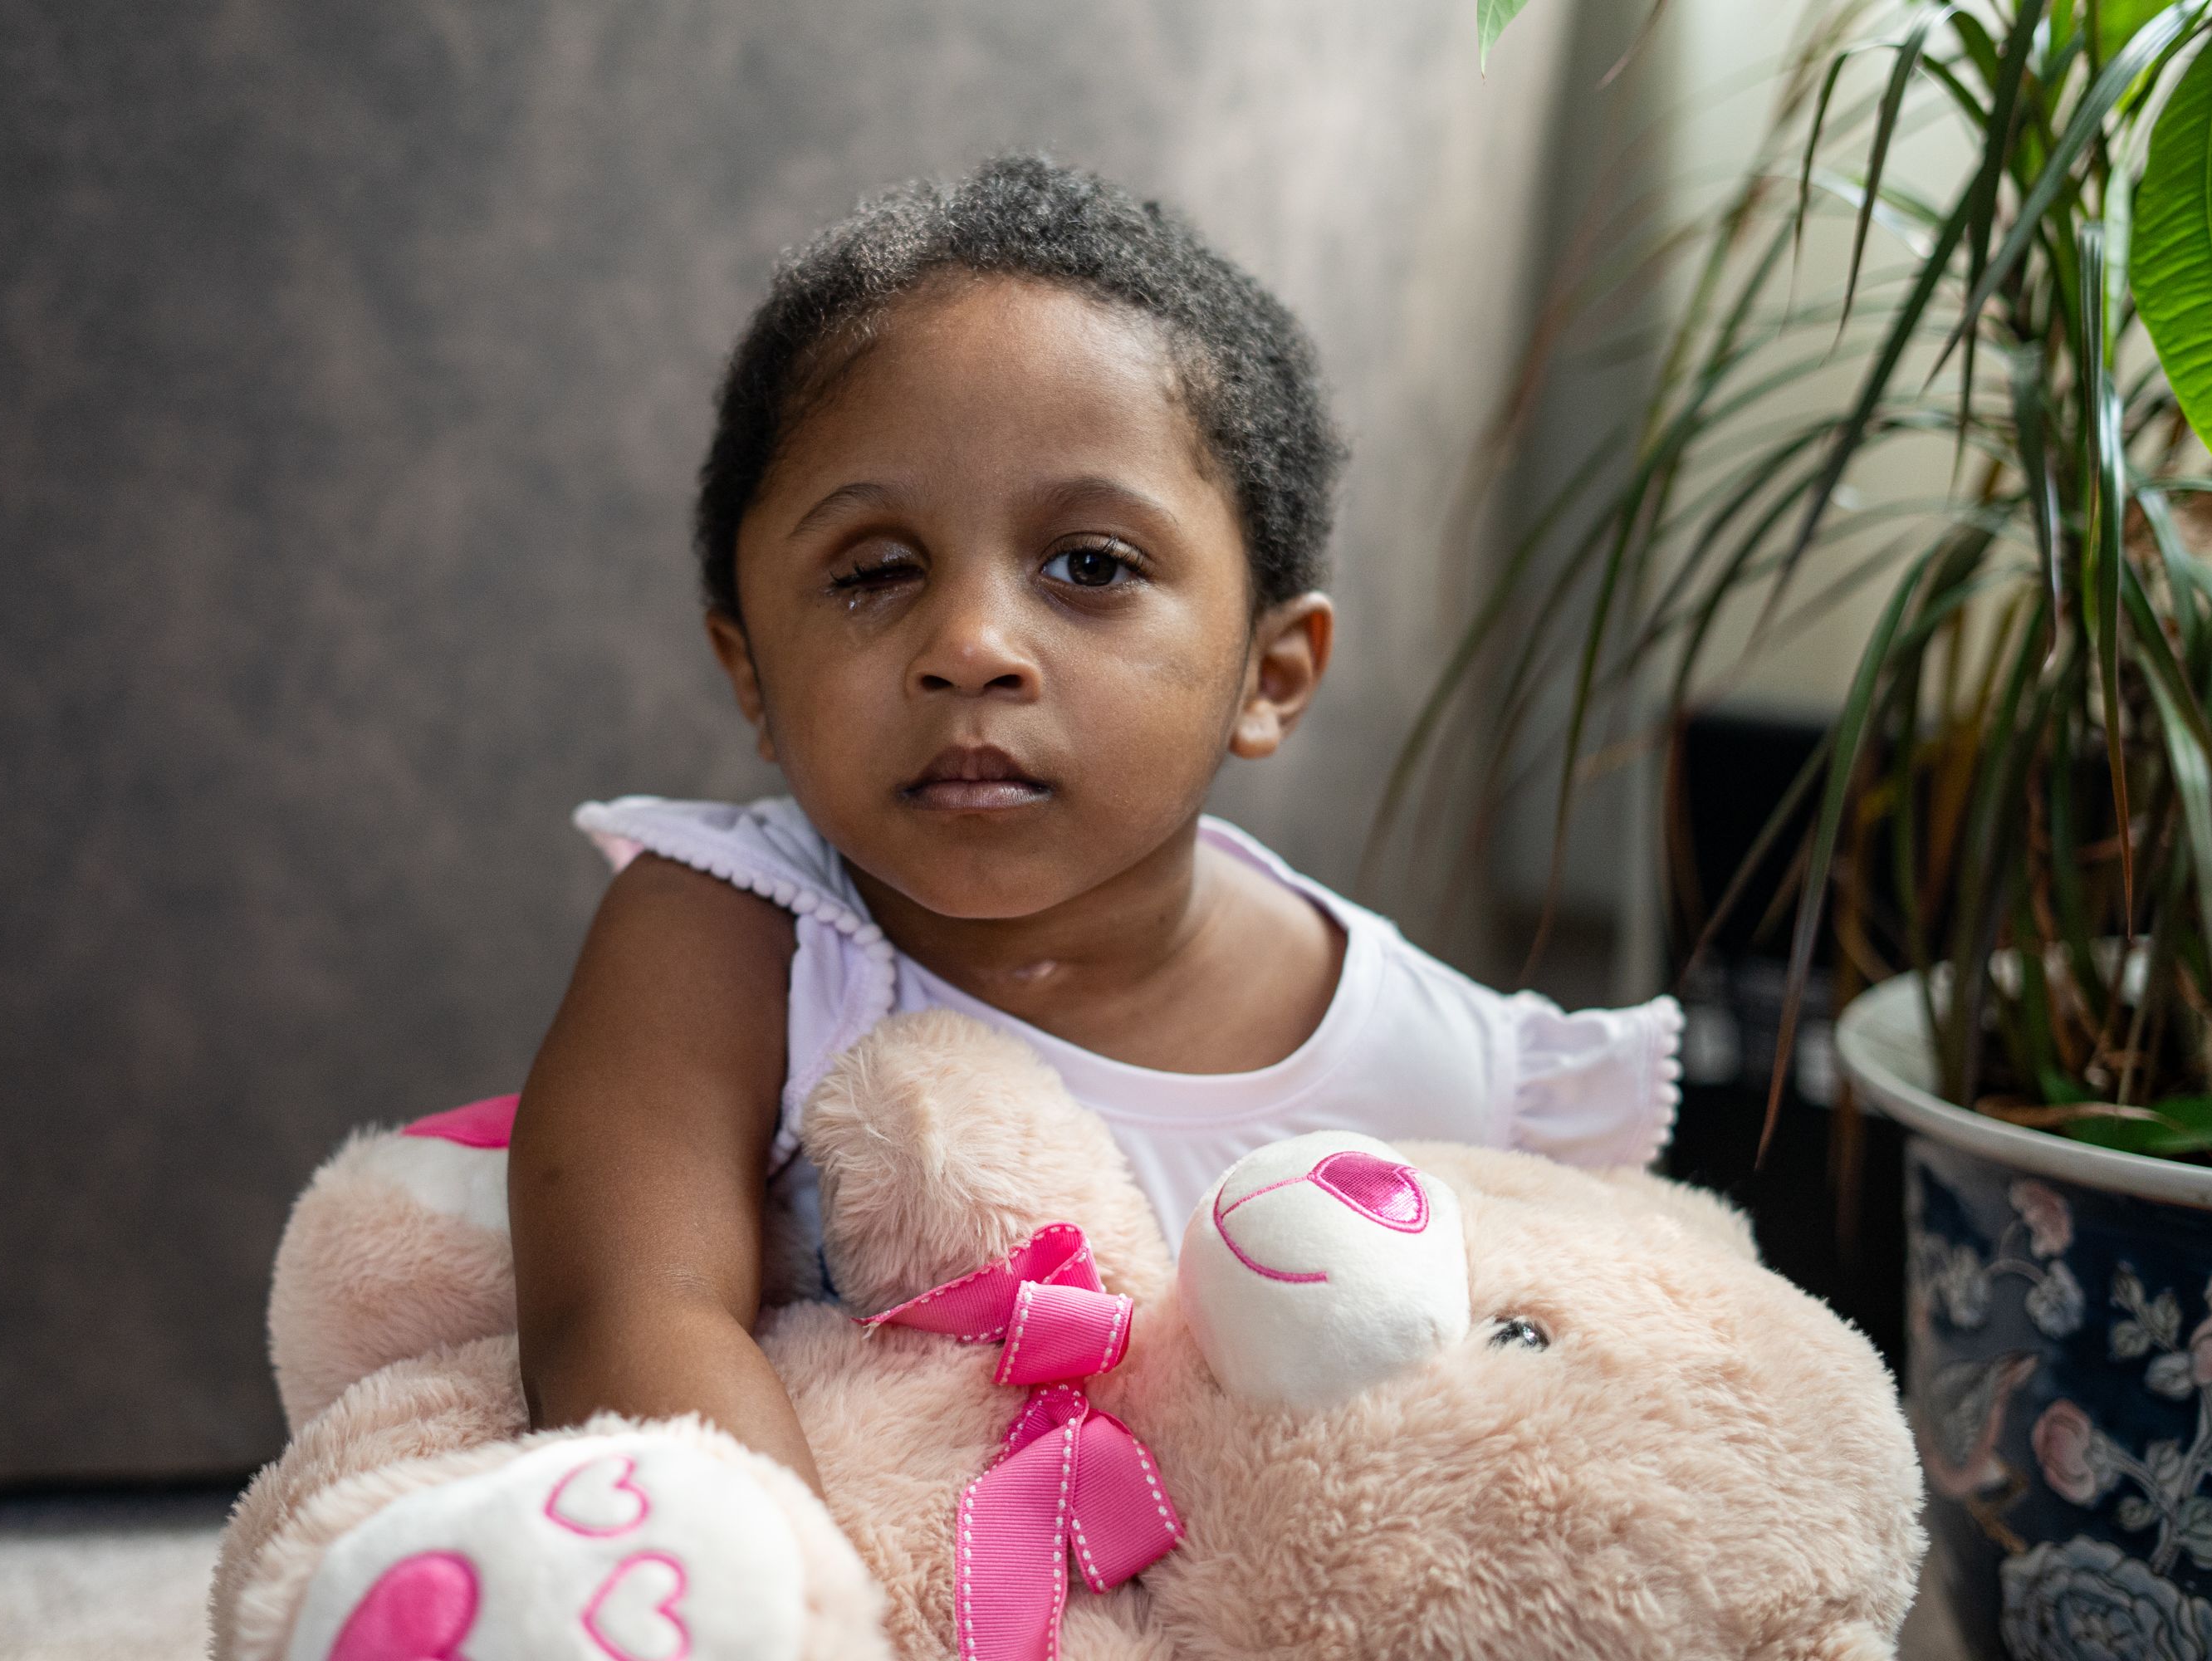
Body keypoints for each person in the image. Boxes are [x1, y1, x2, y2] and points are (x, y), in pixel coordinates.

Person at [508, 155, 1681, 1496]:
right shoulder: (734, 931)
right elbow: (621, 1319)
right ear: (750, 676)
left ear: (1268, 675)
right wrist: (794, 1594)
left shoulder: (1455, 1081)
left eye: (1090, 566)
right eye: (876, 570)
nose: (971, 645)